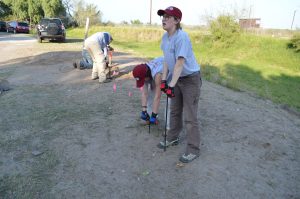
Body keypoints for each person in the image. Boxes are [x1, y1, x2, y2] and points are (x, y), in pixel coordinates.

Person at [157, 6, 202, 163]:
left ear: (176, 21)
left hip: (190, 79)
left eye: (168, 17)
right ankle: (173, 137)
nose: (163, 19)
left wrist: (170, 84)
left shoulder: (181, 37)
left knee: (190, 116)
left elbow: (180, 62)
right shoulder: (165, 38)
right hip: (176, 78)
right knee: (175, 111)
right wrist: (164, 81)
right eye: (163, 16)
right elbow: (167, 62)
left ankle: (193, 149)